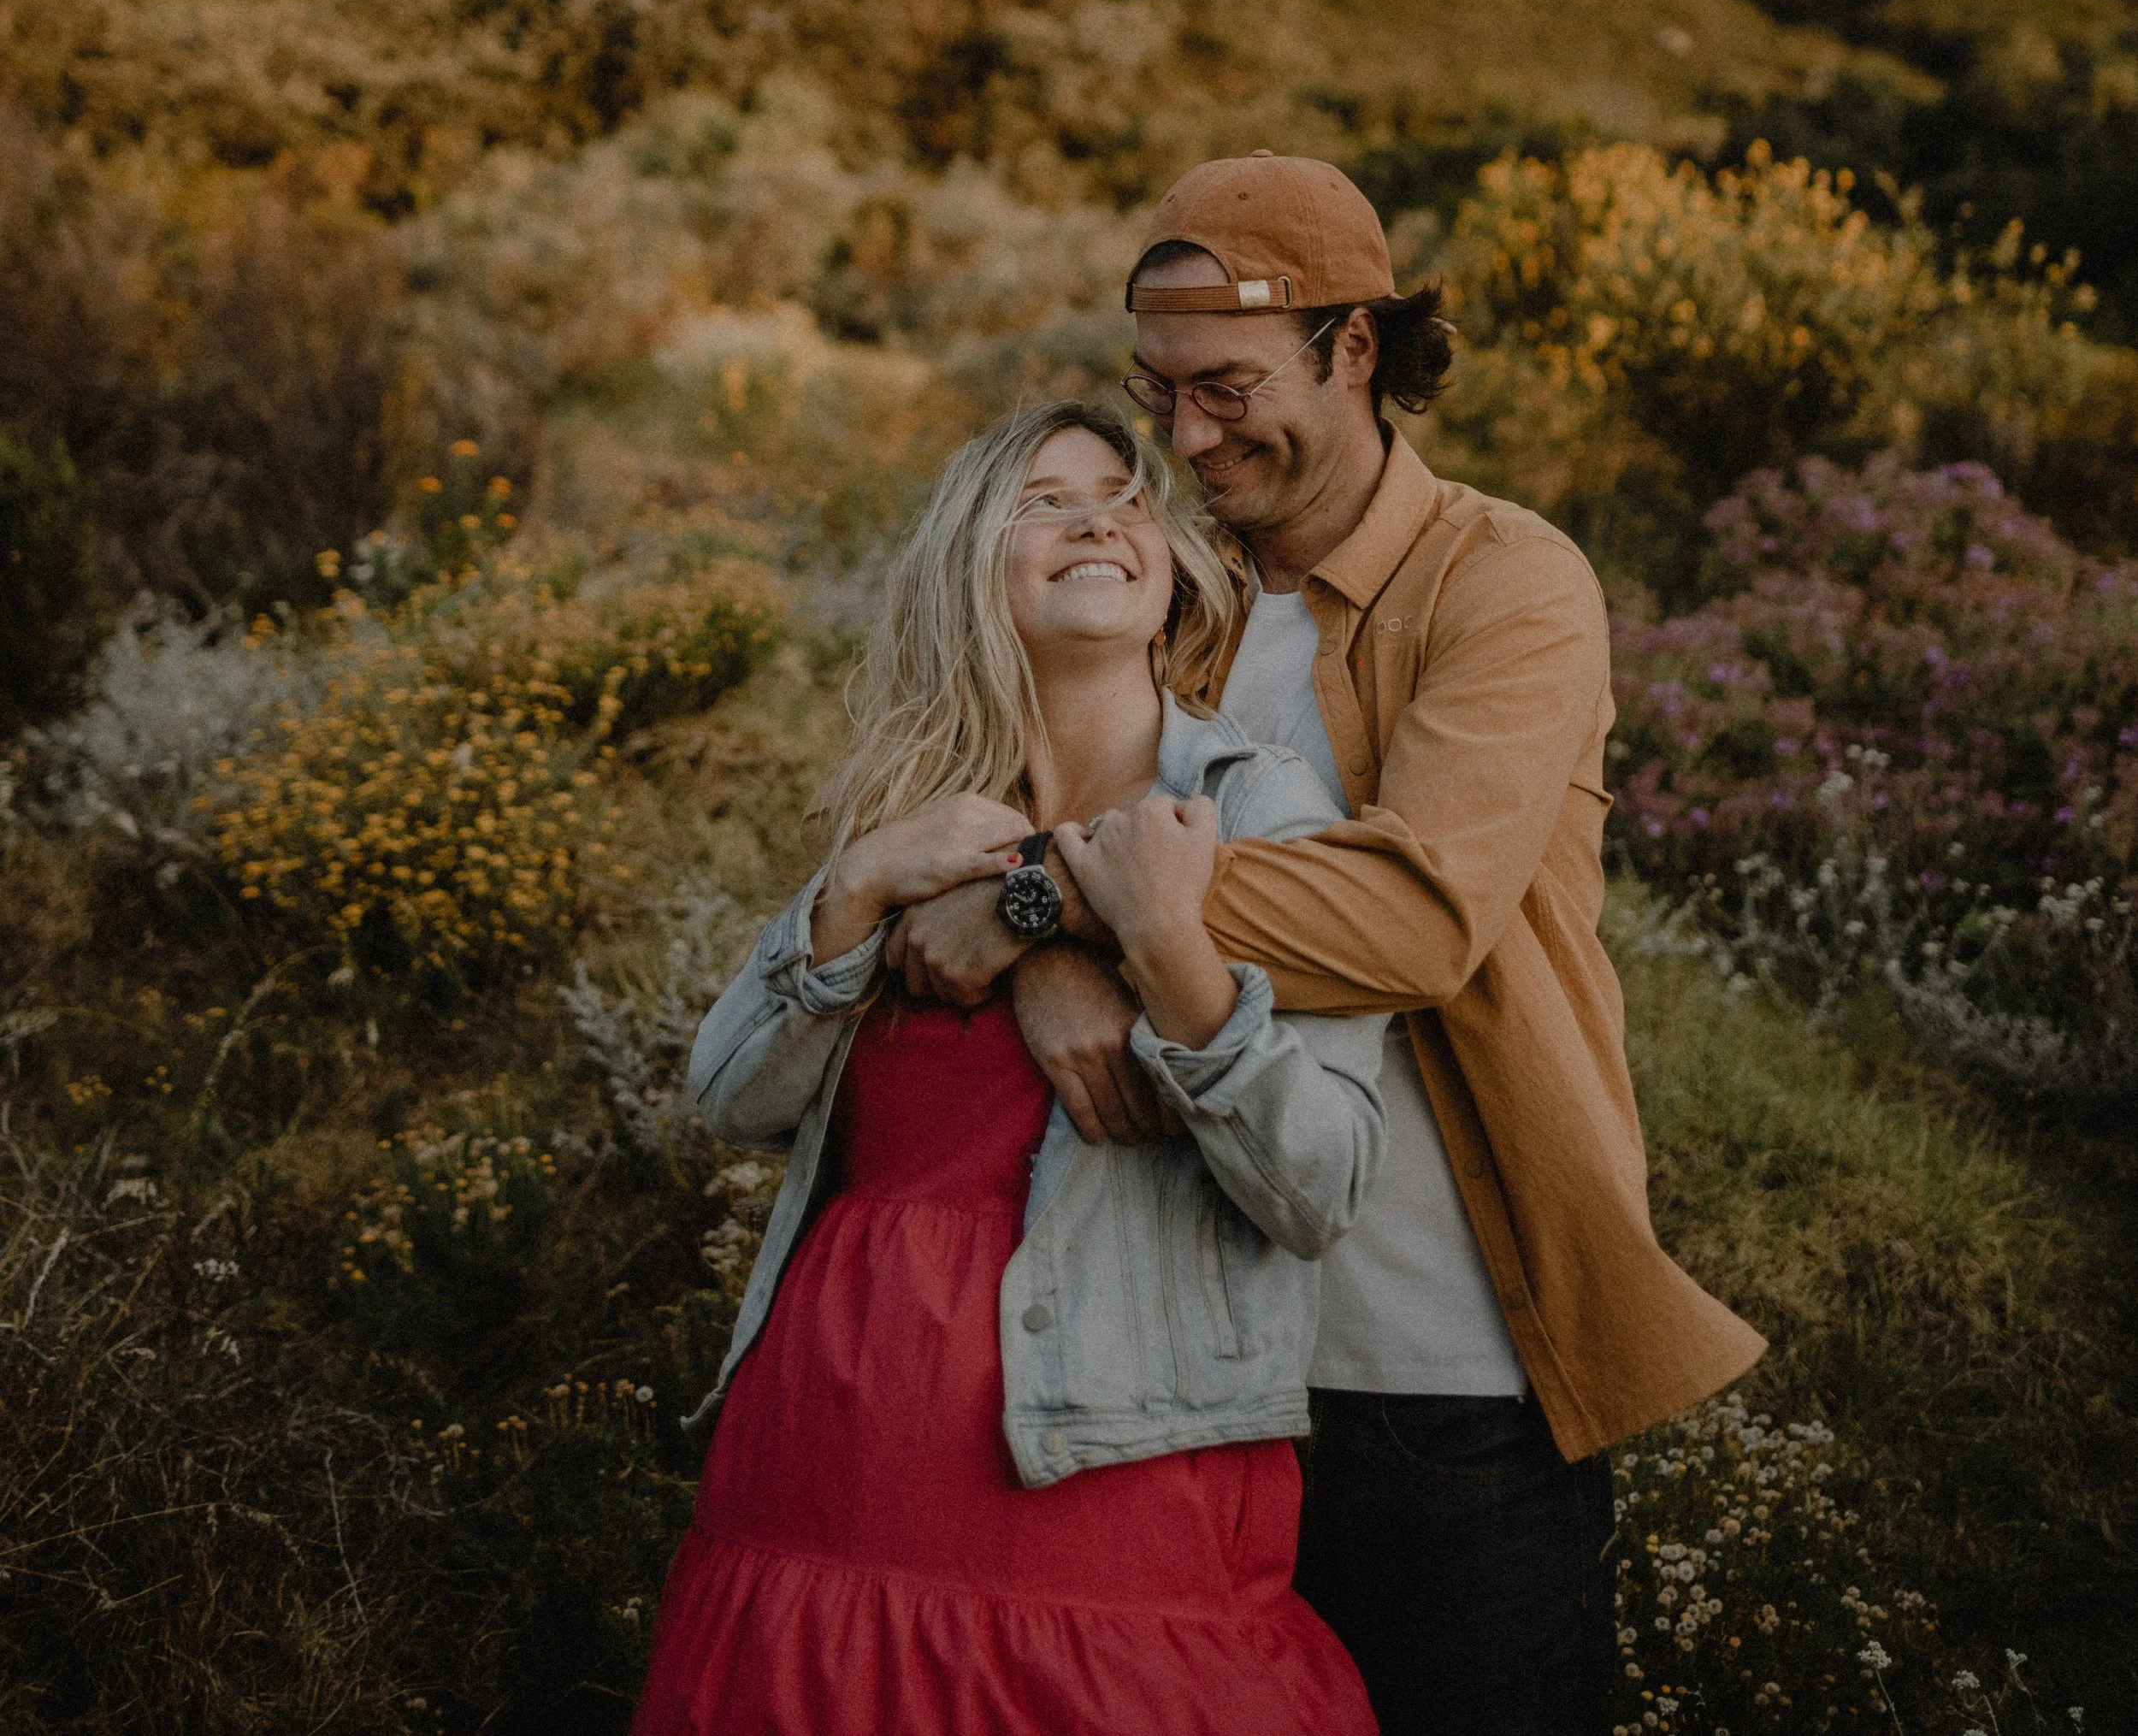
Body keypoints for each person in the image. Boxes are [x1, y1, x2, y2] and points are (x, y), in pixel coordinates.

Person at [889, 152, 1767, 1736]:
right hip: (1179, 1369)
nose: (1190, 437)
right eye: (1160, 394)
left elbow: (1415, 914)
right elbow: (968, 828)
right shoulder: (1177, 591)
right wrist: (1053, 939)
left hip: (1440, 1377)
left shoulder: (1507, 583)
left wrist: (1059, 900)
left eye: (1228, 386)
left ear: (1354, 348)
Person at [631, 398, 1387, 1736]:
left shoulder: (1258, 808)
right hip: (813, 1490)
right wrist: (859, 881)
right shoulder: (916, 812)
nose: (1097, 515)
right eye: (1044, 497)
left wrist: (1149, 946)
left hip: (1108, 1500)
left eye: (1127, 494)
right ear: (974, 559)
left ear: (1169, 568)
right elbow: (731, 1094)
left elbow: (1320, 1182)